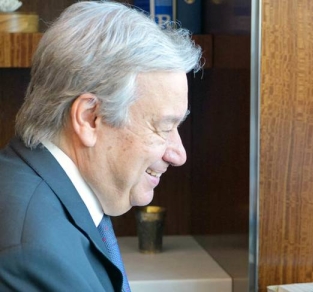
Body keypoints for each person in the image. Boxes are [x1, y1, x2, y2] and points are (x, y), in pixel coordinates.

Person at [0, 1, 201, 291]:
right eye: (164, 127)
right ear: (89, 118)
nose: (178, 155)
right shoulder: (31, 255)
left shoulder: (48, 197)